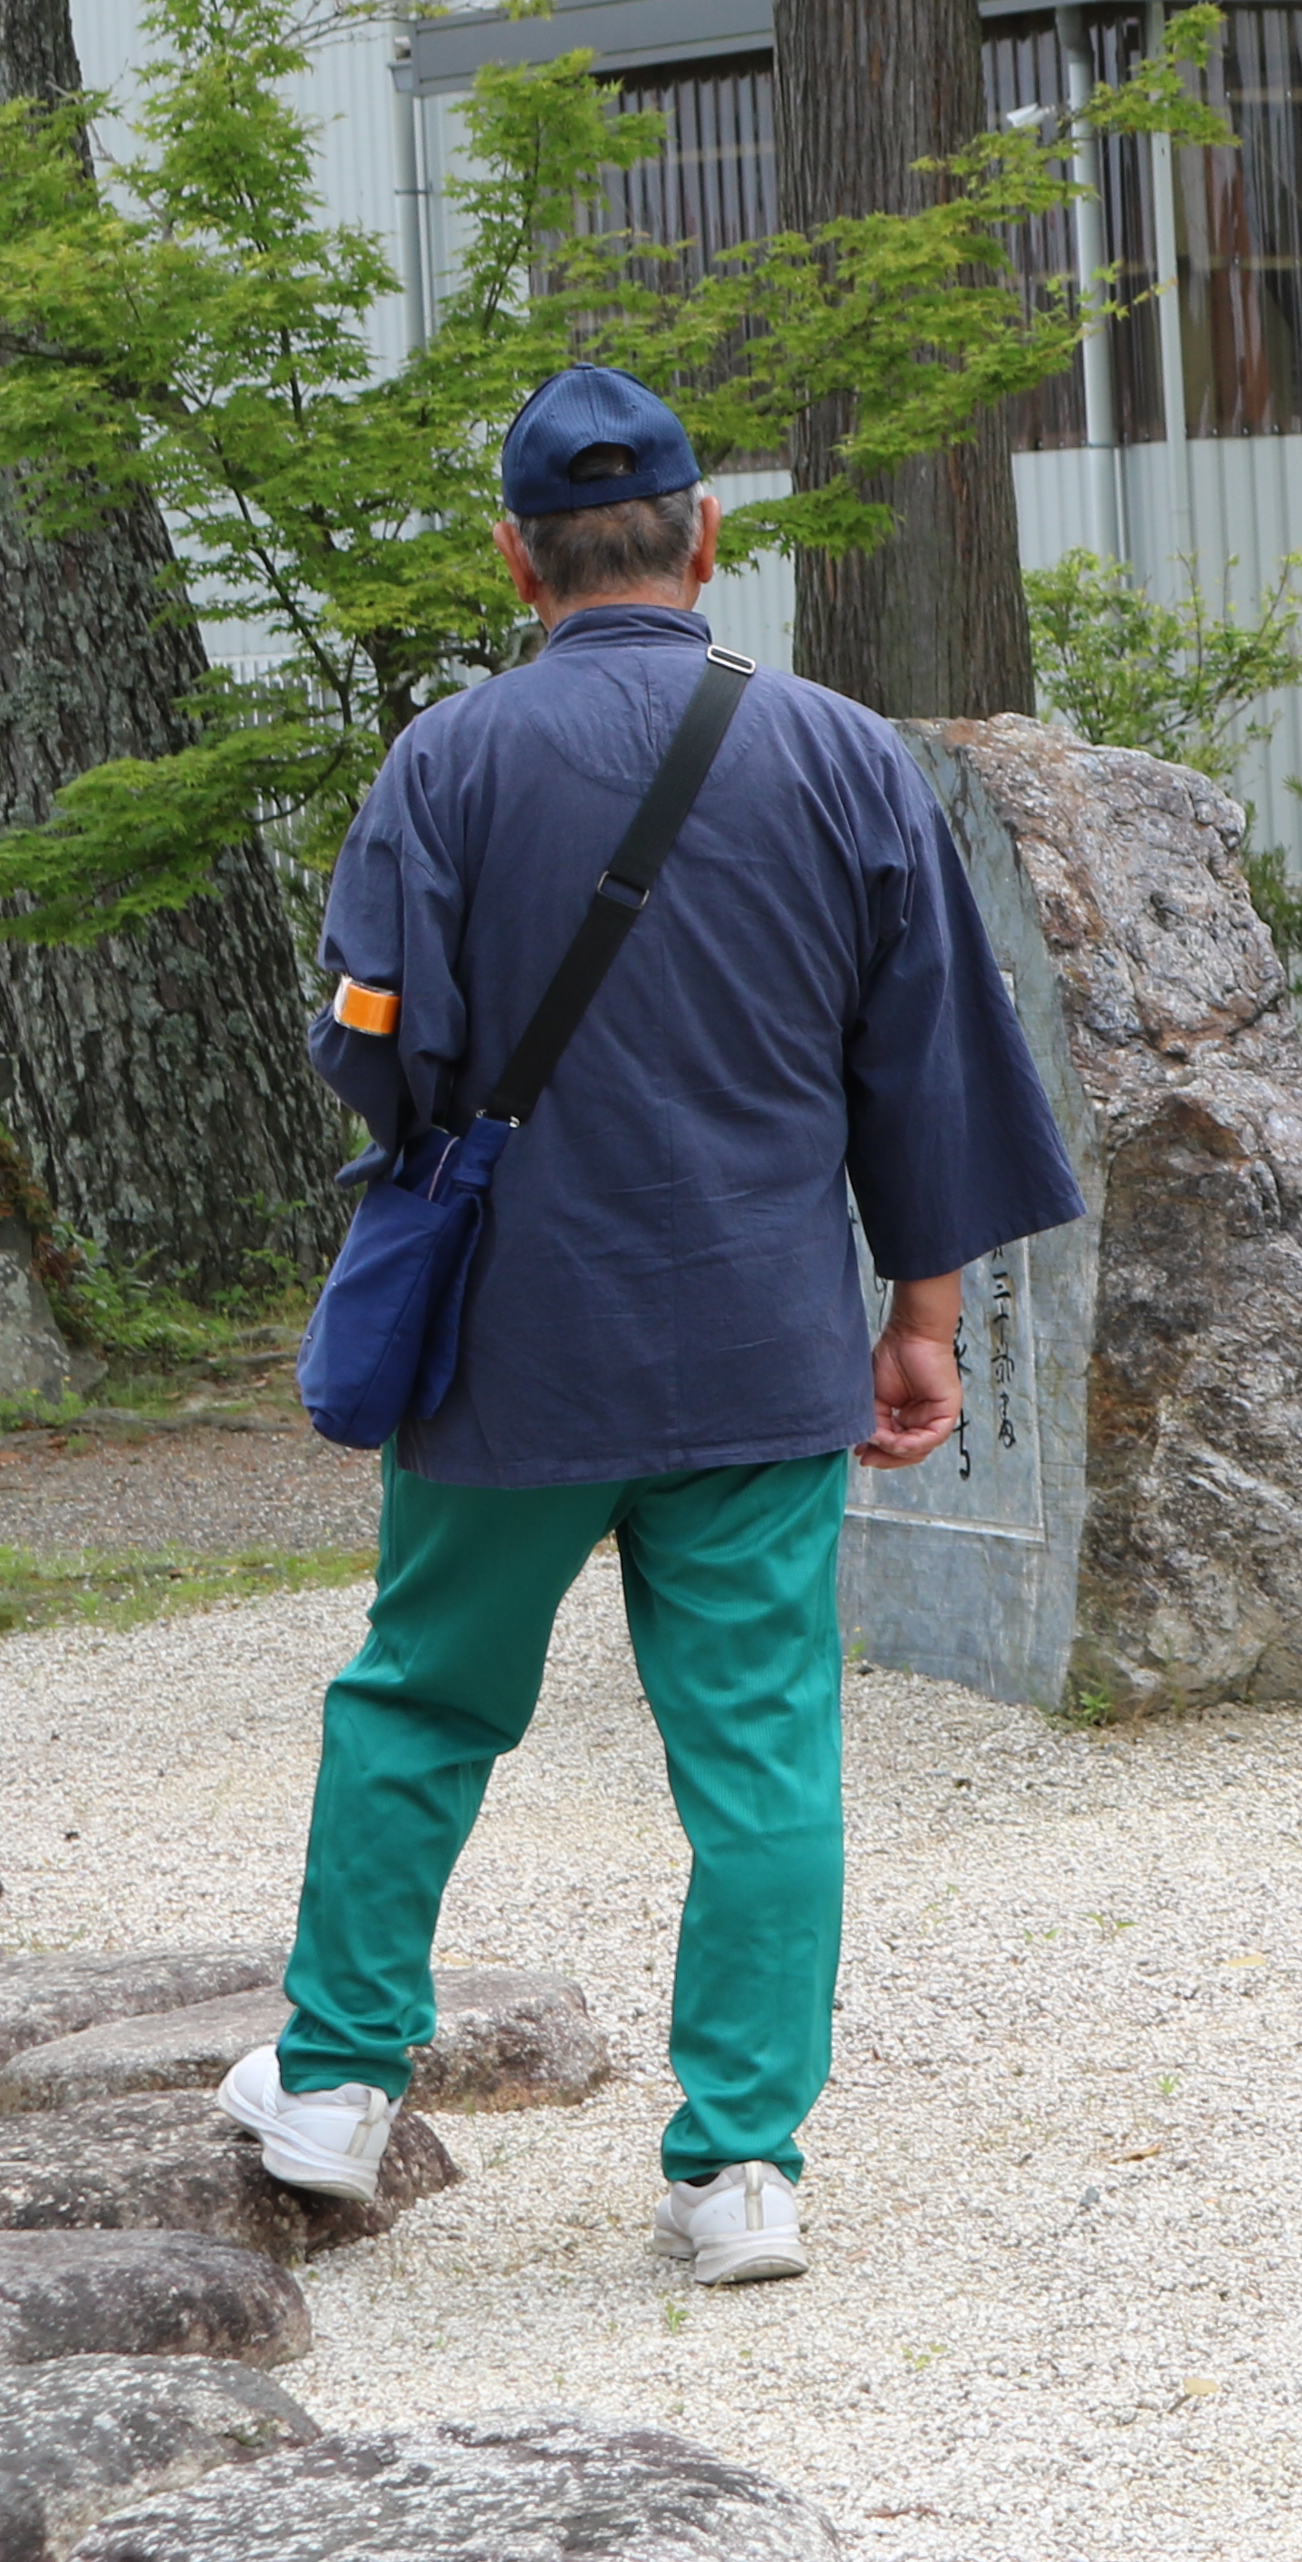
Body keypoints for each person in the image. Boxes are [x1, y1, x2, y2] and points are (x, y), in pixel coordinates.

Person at [229, 366, 1077, 2290]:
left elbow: (375, 1061)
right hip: (762, 1344)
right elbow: (926, 1071)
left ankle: (342, 2082)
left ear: (515, 557)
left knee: (425, 1701)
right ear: (705, 542)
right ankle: (740, 2172)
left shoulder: (444, 765)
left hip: (513, 1347)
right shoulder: (848, 759)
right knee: (763, 1751)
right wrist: (919, 1318)